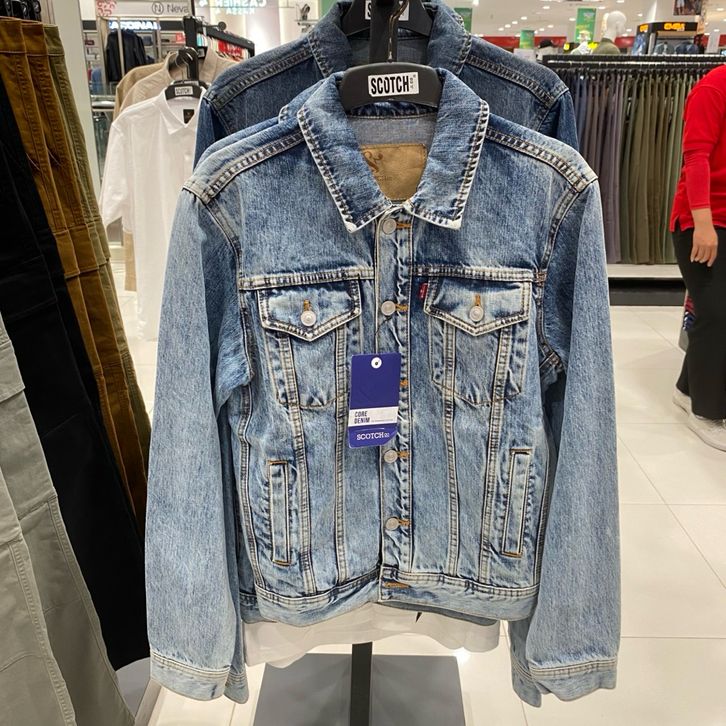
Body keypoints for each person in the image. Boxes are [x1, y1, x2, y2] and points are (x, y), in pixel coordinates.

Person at [670, 64, 726, 451]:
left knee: (715, 311)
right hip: (702, 220)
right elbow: (696, 156)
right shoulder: (713, 87)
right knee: (716, 313)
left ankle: (687, 388)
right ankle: (706, 411)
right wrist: (703, 224)